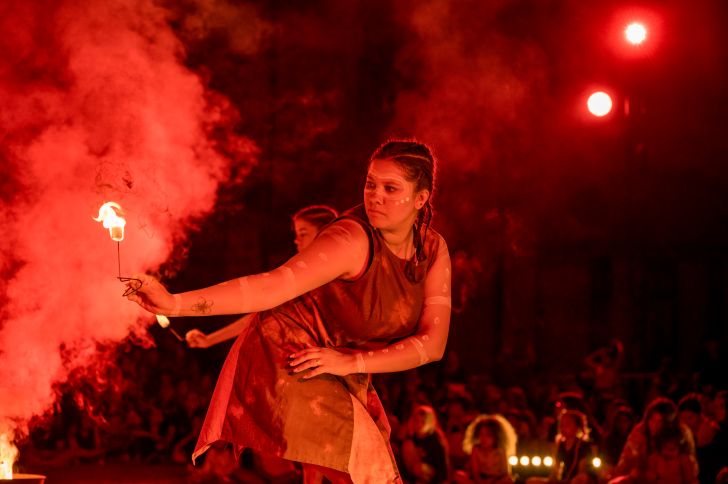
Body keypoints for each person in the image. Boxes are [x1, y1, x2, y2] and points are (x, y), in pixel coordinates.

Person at [127, 140, 452, 483]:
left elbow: (432, 345)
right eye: (371, 184)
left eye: (391, 188)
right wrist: (176, 304)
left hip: (340, 365)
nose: (375, 195)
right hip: (290, 354)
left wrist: (351, 363)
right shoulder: (351, 240)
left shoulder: (432, 250)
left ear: (421, 198)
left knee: (342, 471)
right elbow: (272, 287)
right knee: (367, 465)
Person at [185, 205, 338, 349]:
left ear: (324, 232)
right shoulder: (300, 276)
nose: (296, 241)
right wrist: (210, 340)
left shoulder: (340, 273)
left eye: (303, 233)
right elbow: (261, 314)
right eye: (296, 234)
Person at [454, 414, 516, 484]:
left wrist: (493, 480)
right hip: (480, 480)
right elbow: (475, 472)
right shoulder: (476, 449)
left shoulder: (501, 449)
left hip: (496, 481)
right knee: (458, 475)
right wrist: (481, 481)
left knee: (508, 479)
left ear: (495, 436)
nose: (483, 438)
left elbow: (506, 472)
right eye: (481, 434)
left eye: (487, 435)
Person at [401, 405, 450, 484]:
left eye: (423, 422)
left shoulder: (436, 441)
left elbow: (442, 471)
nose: (419, 425)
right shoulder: (410, 440)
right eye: (417, 421)